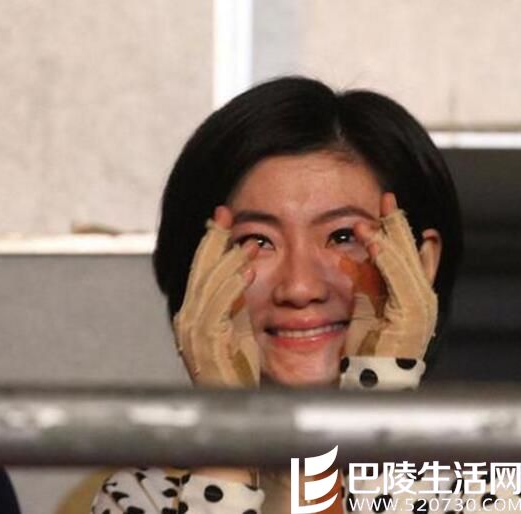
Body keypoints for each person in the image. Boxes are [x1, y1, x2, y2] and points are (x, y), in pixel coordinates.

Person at [91, 76, 487, 514]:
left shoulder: (494, 495)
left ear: (421, 264)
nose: (299, 288)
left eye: (342, 236)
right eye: (257, 241)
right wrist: (225, 445)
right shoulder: (142, 498)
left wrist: (378, 405)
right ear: (198, 272)